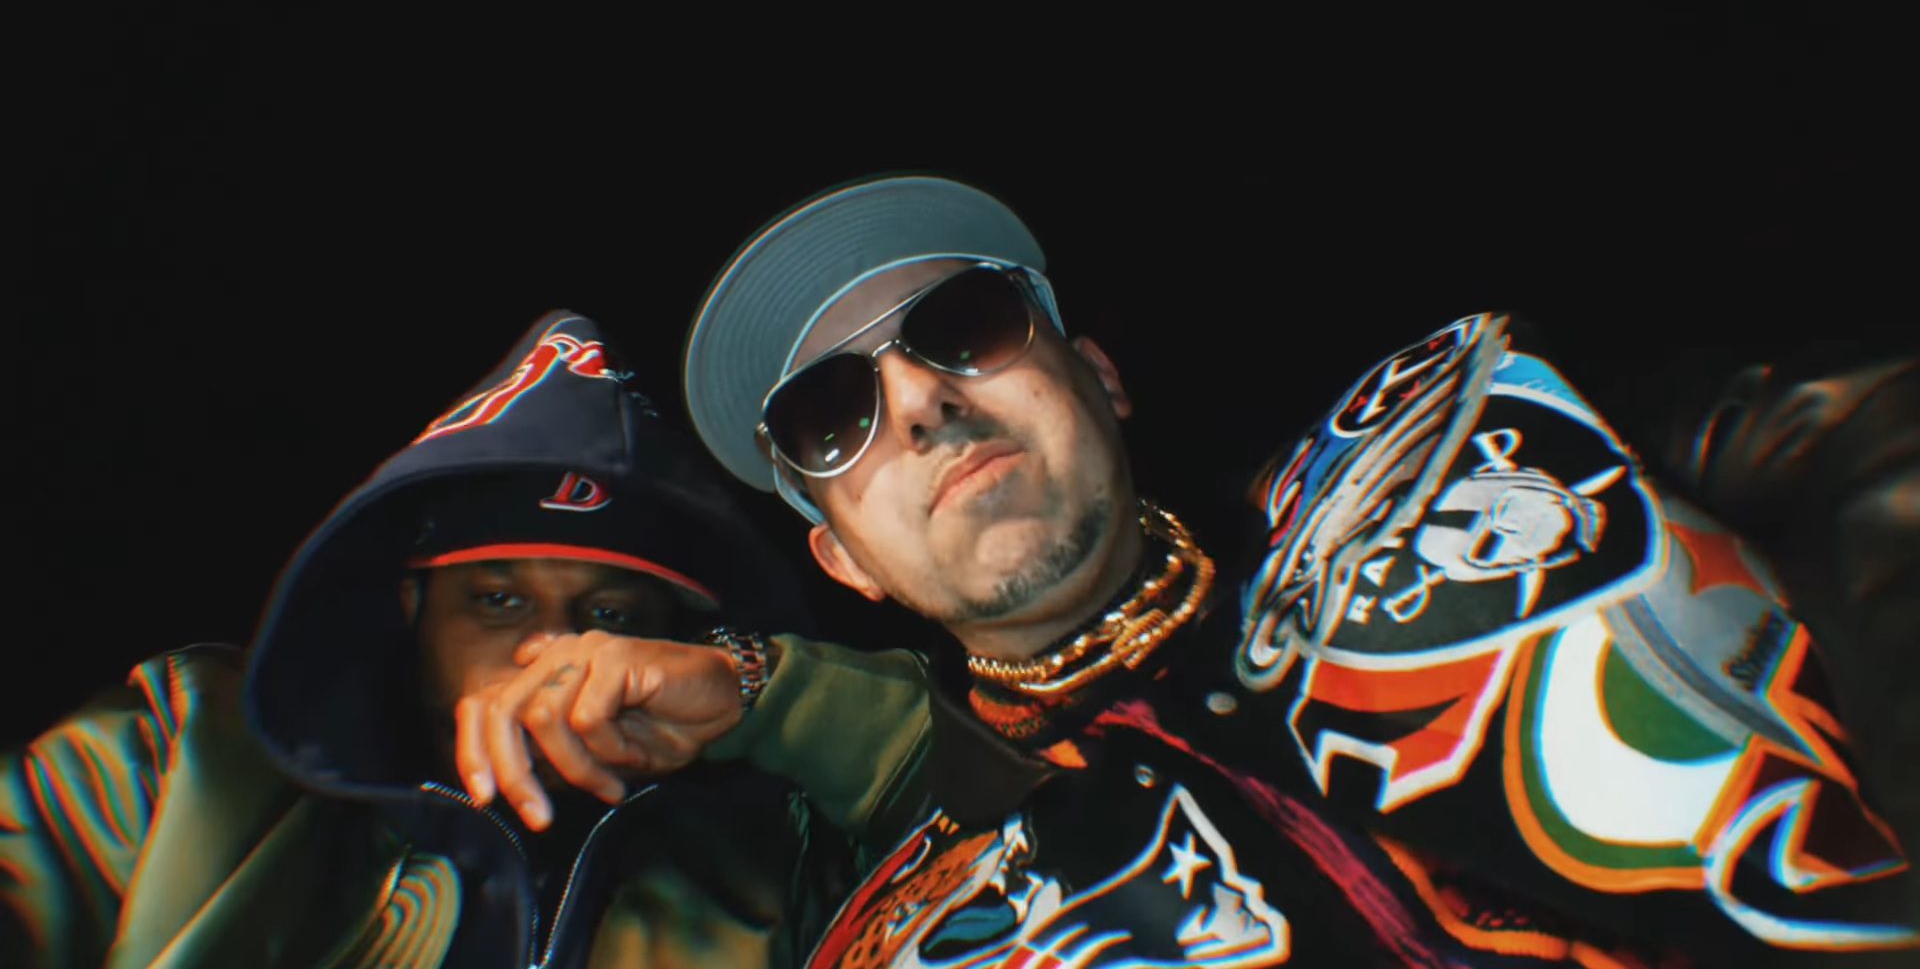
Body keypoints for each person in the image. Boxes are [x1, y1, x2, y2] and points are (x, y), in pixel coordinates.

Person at [673, 174, 1918, 966]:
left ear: (1098, 376)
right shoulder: (924, 934)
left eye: (962, 326)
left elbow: (1867, 434)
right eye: (832, 415)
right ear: (842, 558)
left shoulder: (1463, 440)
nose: (921, 400)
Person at [0, 310, 929, 968]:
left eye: (610, 616)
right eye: (499, 601)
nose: (553, 652)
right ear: (413, 607)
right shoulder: (189, 747)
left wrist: (761, 687)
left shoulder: (773, 857)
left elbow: (996, 808)